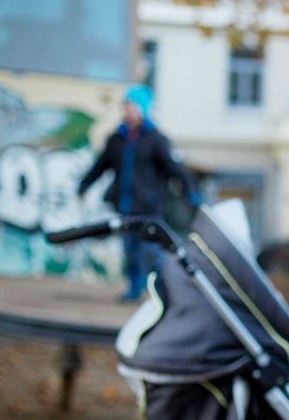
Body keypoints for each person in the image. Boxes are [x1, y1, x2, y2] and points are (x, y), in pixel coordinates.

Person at [77, 85, 198, 302]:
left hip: (149, 208)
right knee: (130, 252)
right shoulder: (117, 139)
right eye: (125, 105)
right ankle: (134, 290)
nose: (127, 110)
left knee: (153, 253)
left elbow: (175, 169)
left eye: (132, 106)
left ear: (142, 109)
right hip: (125, 207)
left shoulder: (156, 139)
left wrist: (190, 192)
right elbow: (100, 165)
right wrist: (84, 185)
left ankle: (165, 293)